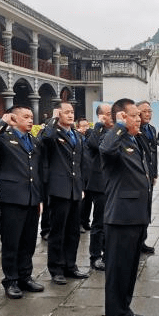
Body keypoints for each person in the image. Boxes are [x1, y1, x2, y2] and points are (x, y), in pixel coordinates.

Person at [100, 98, 152, 316]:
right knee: (118, 272)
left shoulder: (134, 139)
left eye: (139, 115)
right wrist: (119, 126)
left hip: (136, 216)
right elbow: (105, 149)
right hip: (121, 218)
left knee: (130, 270)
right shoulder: (115, 139)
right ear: (122, 116)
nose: (139, 118)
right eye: (134, 115)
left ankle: (125, 310)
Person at [0, 106, 46, 299]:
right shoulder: (4, 137)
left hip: (31, 197)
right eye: (26, 117)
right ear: (14, 118)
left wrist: (40, 197)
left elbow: (37, 171)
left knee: (28, 241)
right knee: (12, 241)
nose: (30, 120)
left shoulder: (33, 141)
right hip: (12, 197)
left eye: (31, 117)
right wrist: (3, 122)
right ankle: (10, 280)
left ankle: (25, 277)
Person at [39, 102, 88, 284]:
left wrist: (82, 186)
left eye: (72, 112)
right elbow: (45, 138)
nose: (70, 115)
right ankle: (56, 268)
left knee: (73, 231)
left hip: (75, 188)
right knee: (58, 232)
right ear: (58, 113)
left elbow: (80, 162)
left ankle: (70, 265)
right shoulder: (53, 133)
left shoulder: (75, 134)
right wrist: (53, 119)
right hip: (59, 189)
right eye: (66, 112)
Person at [85, 104, 113, 270]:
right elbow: (94, 145)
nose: (111, 117)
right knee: (99, 223)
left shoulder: (116, 132)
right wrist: (99, 125)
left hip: (113, 184)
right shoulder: (94, 132)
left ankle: (108, 252)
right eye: (108, 114)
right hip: (100, 184)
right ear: (101, 116)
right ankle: (95, 256)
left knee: (111, 222)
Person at [137, 100, 157, 254]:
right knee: (138, 209)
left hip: (149, 174)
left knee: (147, 209)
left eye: (150, 111)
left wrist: (154, 173)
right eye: (145, 111)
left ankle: (143, 240)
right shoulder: (135, 131)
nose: (148, 114)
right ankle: (136, 241)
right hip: (138, 176)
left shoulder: (152, 129)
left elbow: (153, 154)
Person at [77, 118, 93, 231]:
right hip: (80, 174)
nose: (86, 128)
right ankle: (78, 223)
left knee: (88, 201)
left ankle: (86, 221)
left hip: (89, 174)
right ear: (77, 127)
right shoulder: (77, 138)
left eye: (87, 125)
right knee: (81, 201)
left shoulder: (89, 138)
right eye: (83, 126)